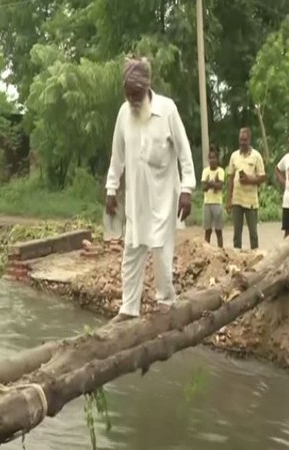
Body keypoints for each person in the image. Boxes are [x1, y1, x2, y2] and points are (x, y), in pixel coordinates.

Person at [105, 55, 196, 322]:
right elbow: (117, 156)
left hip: (163, 199)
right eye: (128, 94)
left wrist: (187, 189)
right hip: (136, 200)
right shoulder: (124, 113)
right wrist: (111, 189)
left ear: (146, 87)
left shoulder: (167, 110)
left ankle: (166, 303)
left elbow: (185, 152)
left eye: (136, 93)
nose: (132, 99)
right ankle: (128, 308)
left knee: (161, 252)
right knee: (131, 252)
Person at [225, 127, 266, 249]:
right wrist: (228, 200)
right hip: (237, 200)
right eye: (241, 140)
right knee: (237, 234)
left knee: (253, 233)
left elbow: (263, 177)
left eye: (245, 140)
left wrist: (249, 180)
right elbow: (230, 178)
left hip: (251, 201)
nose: (242, 142)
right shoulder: (234, 156)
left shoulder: (256, 156)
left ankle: (256, 257)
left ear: (249, 140)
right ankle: (237, 258)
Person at [201, 145, 225, 247]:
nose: (212, 160)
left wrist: (209, 183)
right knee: (208, 230)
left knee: (218, 230)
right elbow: (203, 187)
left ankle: (221, 250)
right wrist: (213, 183)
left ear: (217, 159)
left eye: (214, 158)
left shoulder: (220, 171)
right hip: (207, 203)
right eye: (210, 158)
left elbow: (220, 186)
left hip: (217, 203)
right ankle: (206, 250)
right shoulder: (205, 171)